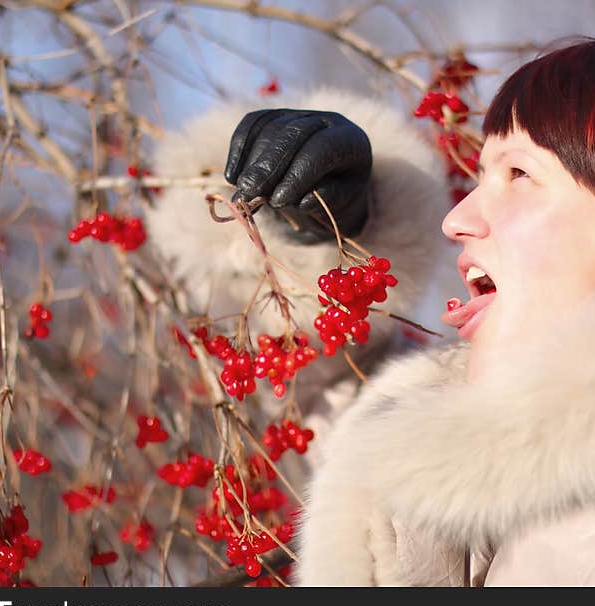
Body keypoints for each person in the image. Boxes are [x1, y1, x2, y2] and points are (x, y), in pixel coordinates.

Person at [291, 34, 595, 585]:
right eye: (480, 177)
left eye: (519, 175)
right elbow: (353, 458)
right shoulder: (501, 507)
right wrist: (320, 238)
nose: (455, 218)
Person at [145, 89, 457, 482]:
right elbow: (353, 401)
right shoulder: (445, 419)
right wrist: (359, 223)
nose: (467, 216)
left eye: (519, 173)